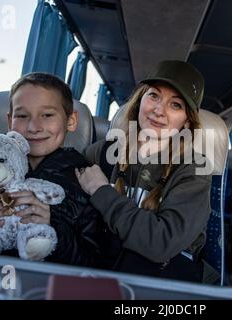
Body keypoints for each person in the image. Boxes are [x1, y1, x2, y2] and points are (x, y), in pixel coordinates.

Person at [0, 73, 100, 266]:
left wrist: (52, 227)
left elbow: (95, 260)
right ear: (9, 121)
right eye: (22, 116)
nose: (33, 127)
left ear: (71, 121)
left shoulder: (85, 181)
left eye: (47, 115)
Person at [76, 60, 212, 282]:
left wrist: (102, 191)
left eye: (175, 105)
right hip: (98, 273)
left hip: (158, 285)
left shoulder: (193, 171)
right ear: (141, 100)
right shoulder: (101, 153)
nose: (159, 110)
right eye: (154, 96)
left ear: (187, 122)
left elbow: (162, 243)